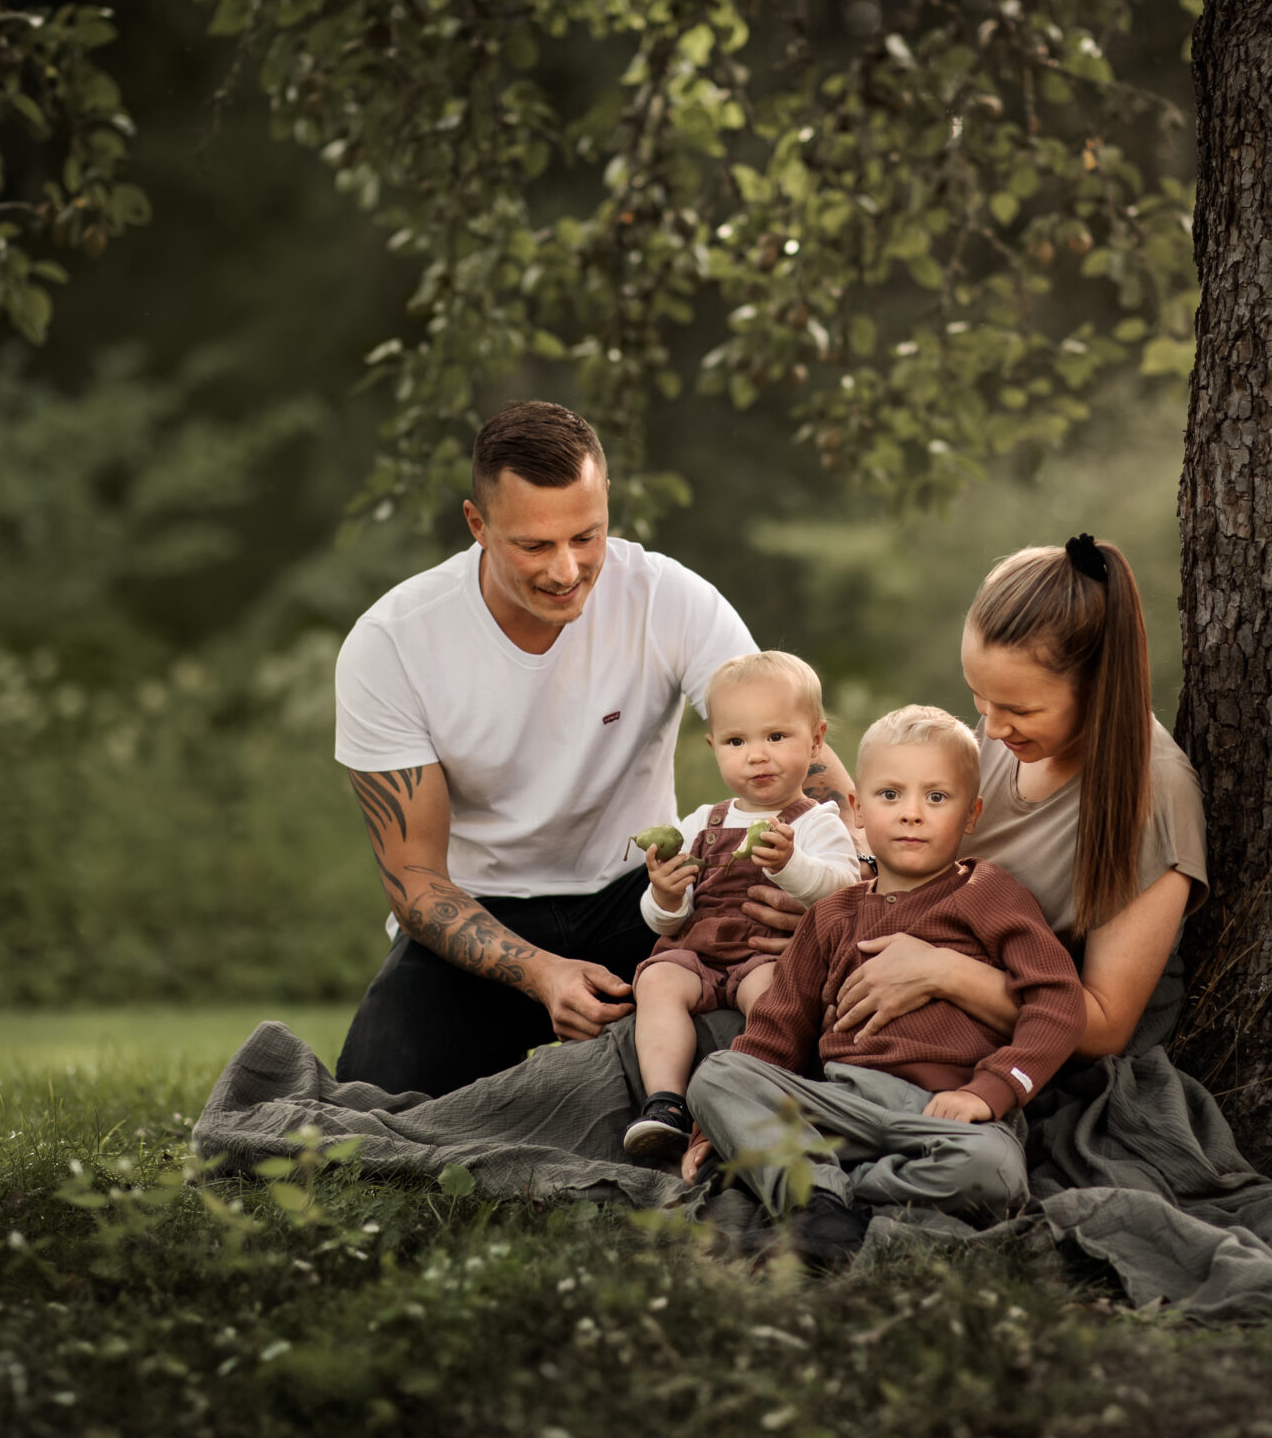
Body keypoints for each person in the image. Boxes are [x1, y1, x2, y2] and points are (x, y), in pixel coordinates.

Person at [329, 401, 854, 1096]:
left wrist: (842, 877)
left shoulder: (668, 598)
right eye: (534, 546)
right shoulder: (392, 642)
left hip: (643, 895)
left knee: (809, 1014)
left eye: (586, 535)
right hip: (481, 911)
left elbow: (784, 730)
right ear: (477, 525)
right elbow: (416, 882)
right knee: (374, 1101)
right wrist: (544, 973)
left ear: (606, 500)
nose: (566, 569)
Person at [678, 706, 1087, 1268]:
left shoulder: (990, 893)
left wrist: (988, 1091)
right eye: (890, 795)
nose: (912, 814)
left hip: (945, 1116)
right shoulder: (832, 915)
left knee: (993, 1172)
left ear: (972, 815)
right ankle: (822, 1201)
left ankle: (820, 1199)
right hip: (839, 1106)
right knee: (718, 1076)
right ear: (858, 810)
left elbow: (1058, 1002)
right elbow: (776, 1029)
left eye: (936, 798)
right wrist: (709, 1130)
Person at [819, 533, 1206, 1065]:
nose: (994, 728)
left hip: (1015, 1054)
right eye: (980, 698)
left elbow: (1106, 1028)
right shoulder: (1009, 731)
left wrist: (943, 971)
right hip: (906, 994)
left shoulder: (1156, 795)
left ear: (1096, 684)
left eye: (1019, 710)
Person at [620, 651, 865, 1163]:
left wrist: (792, 865)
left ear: (816, 740)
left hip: (765, 955)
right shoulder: (700, 822)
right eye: (736, 741)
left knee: (776, 995)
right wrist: (666, 895)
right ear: (714, 747)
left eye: (776, 737)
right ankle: (664, 1102)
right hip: (700, 955)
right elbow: (665, 918)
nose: (756, 756)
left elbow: (843, 888)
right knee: (656, 980)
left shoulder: (816, 821)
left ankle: (775, 1095)